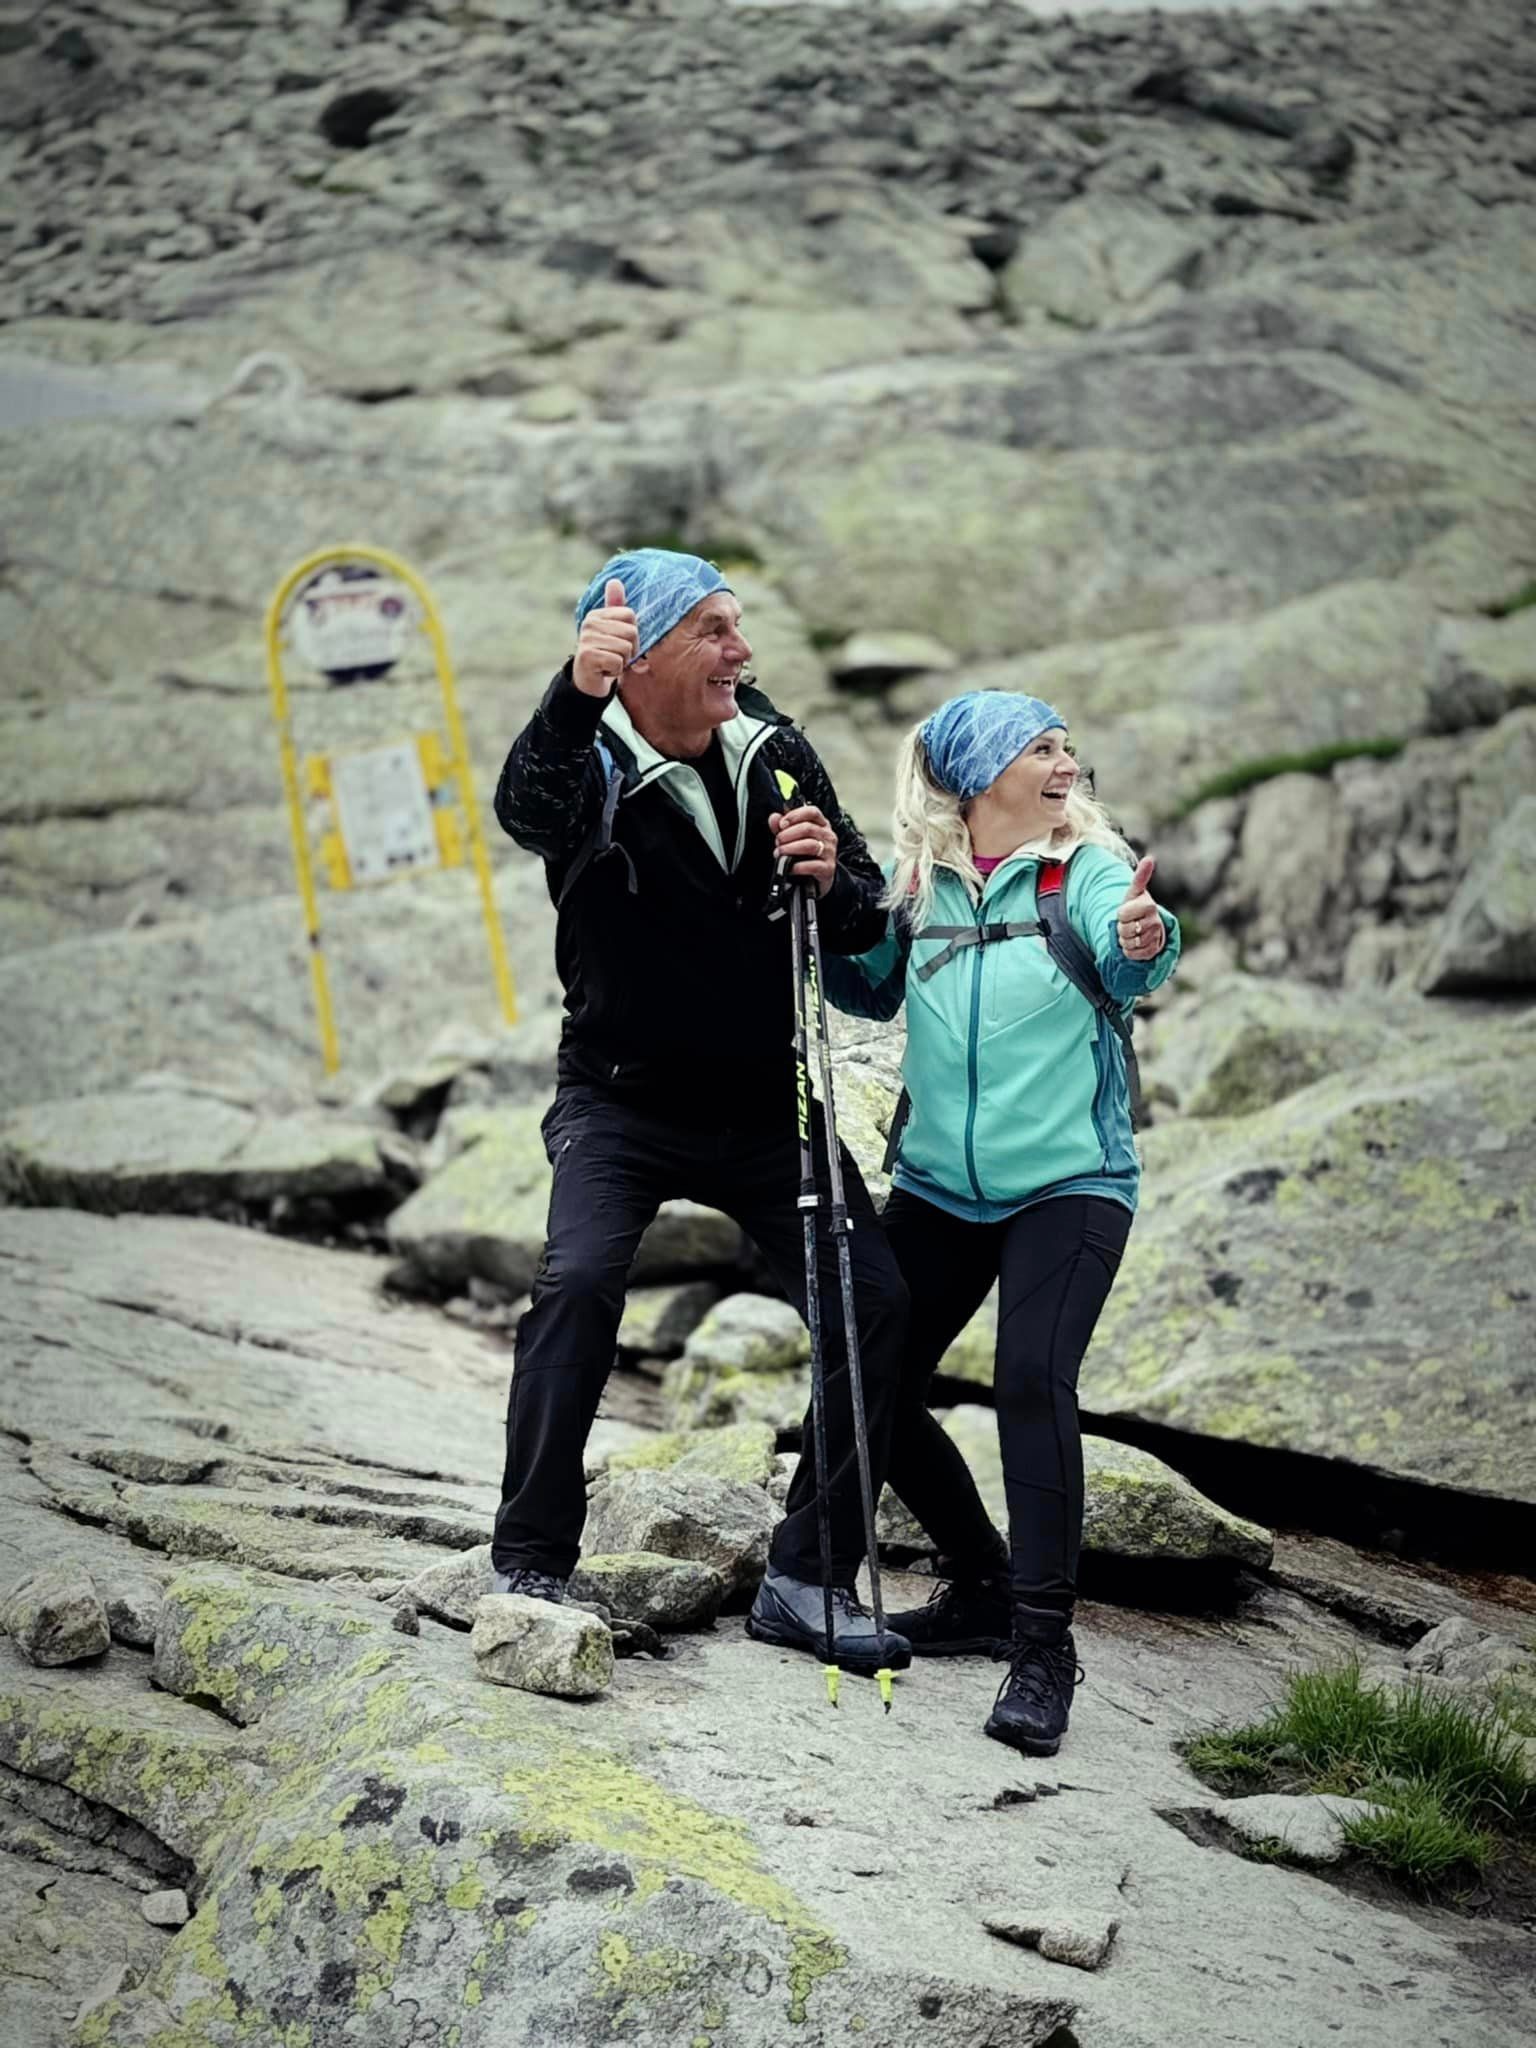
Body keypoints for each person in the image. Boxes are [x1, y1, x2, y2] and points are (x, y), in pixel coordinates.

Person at [490, 547, 912, 1675]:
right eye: (716, 631)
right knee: (578, 1281)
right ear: (644, 657)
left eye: (741, 627)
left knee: (873, 1302)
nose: (743, 651)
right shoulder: (587, 763)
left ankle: (804, 1571)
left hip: (768, 1103)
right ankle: (529, 1553)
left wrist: (836, 878)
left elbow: (871, 919)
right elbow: (524, 804)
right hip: (618, 1103)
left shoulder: (775, 752)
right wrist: (574, 689)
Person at [827, 689, 1180, 1752]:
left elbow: (1135, 961)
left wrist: (1144, 938)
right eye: (1041, 746)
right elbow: (866, 993)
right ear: (981, 775)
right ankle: (980, 1580)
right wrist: (816, 918)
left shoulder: (1093, 870)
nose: (1067, 761)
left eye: (1068, 744)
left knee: (1031, 1379)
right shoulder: (919, 888)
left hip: (1070, 1181)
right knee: (866, 1374)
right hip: (939, 1184)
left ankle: (1042, 1648)